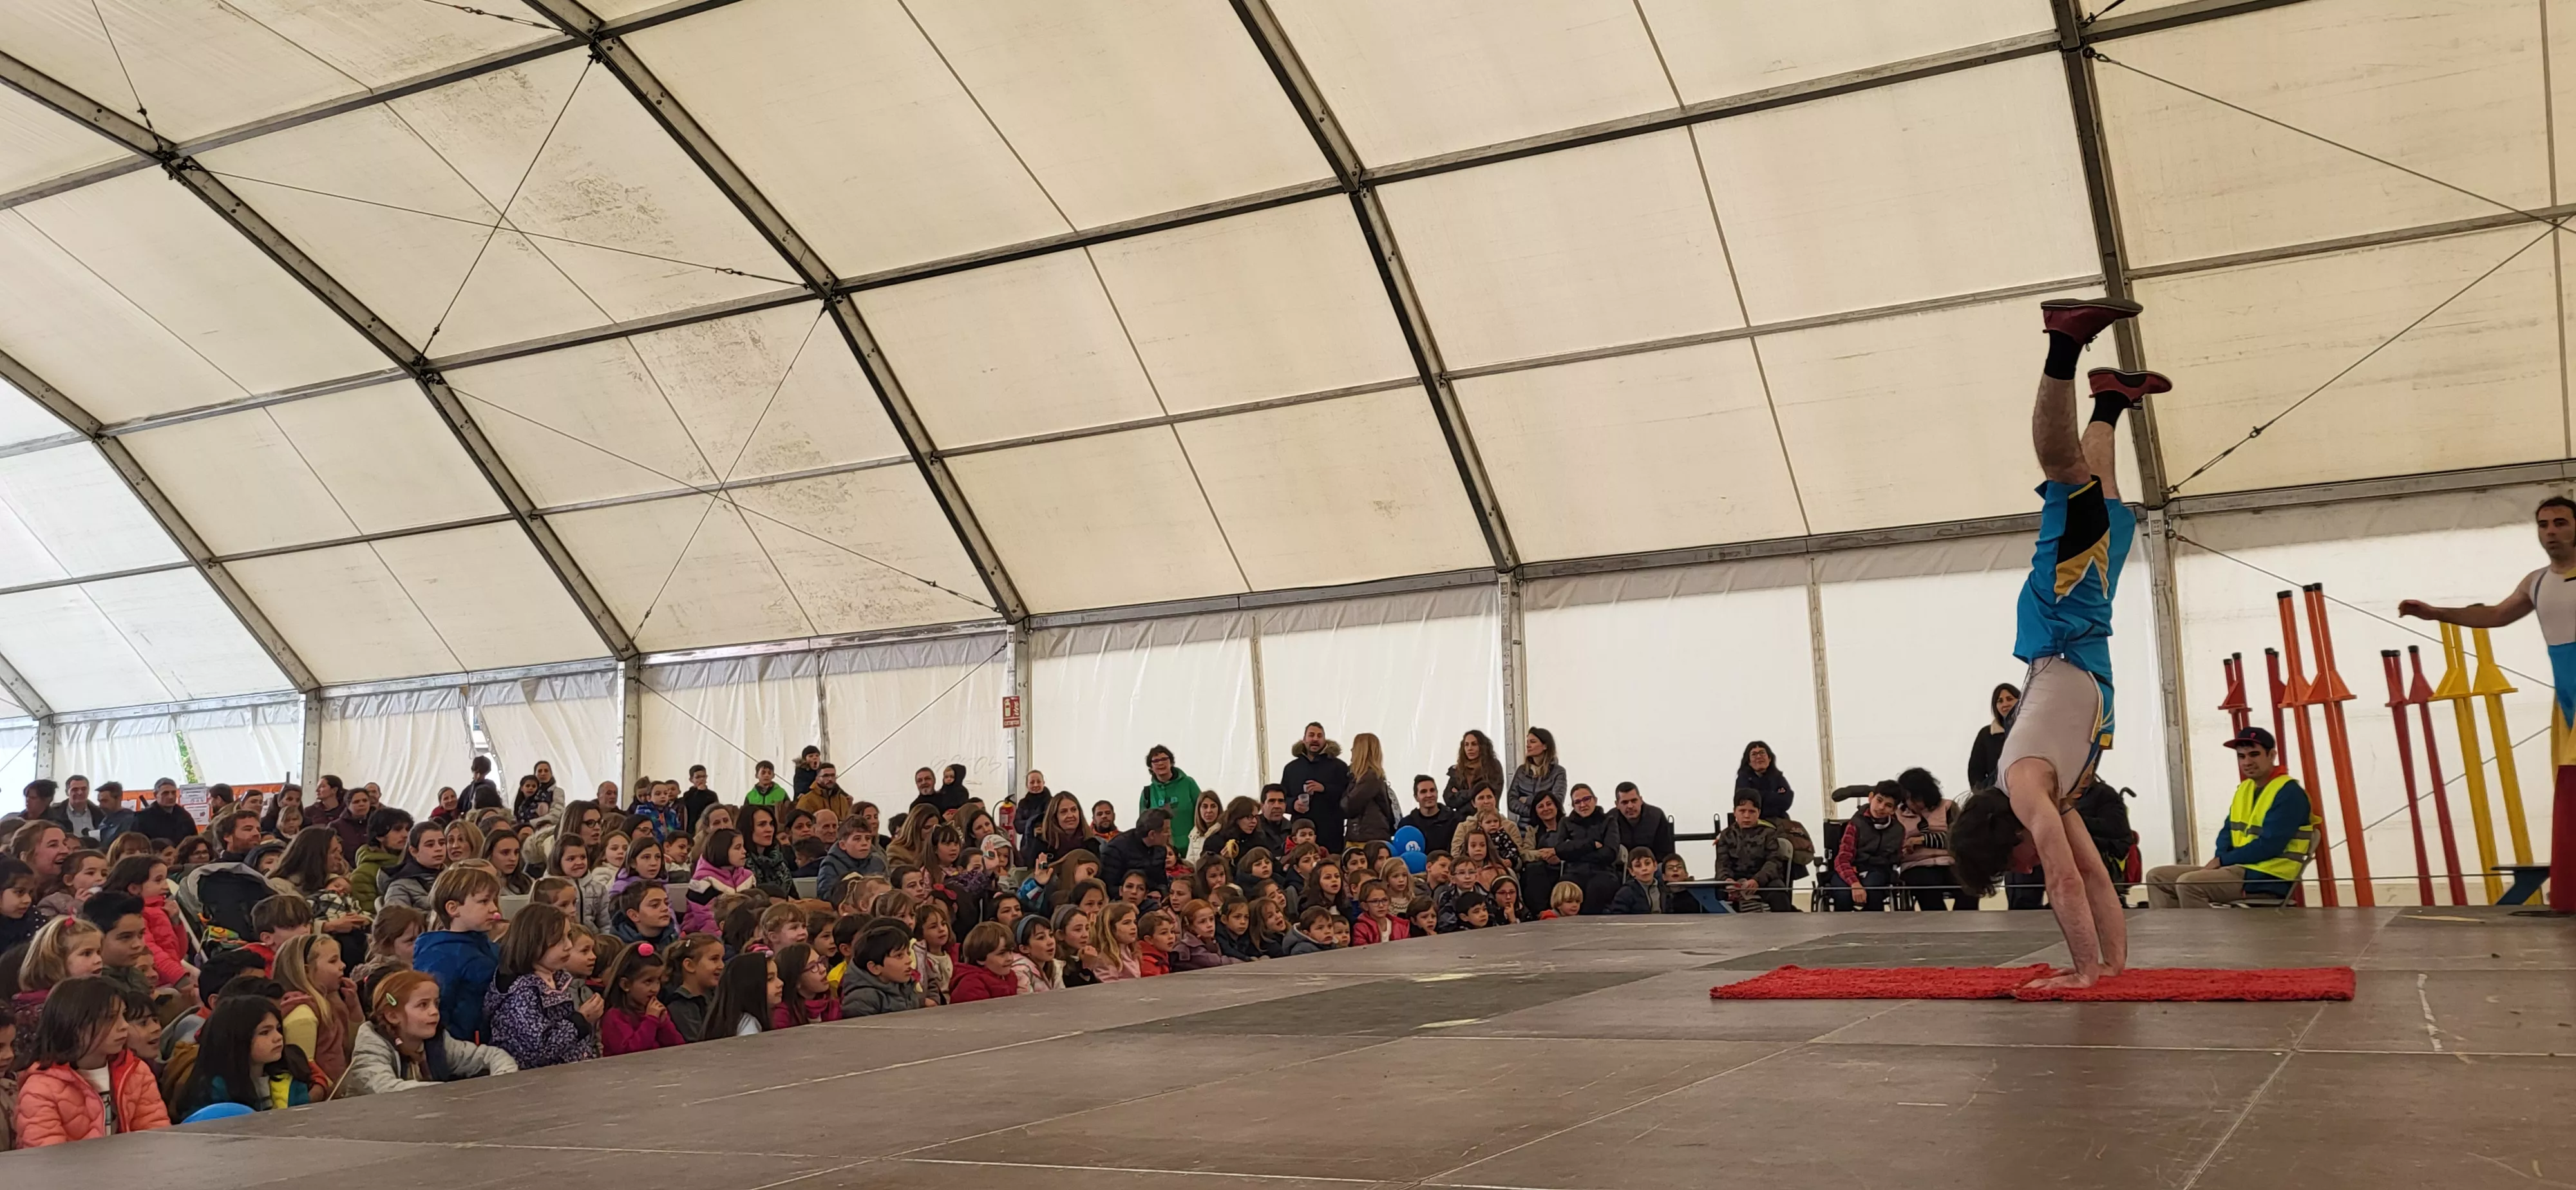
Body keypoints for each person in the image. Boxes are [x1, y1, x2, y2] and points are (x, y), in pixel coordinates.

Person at [1948, 296, 2155, 988]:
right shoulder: (2053, 798)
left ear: (2005, 840)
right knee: (2112, 513)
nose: (2027, 869)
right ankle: (2110, 400)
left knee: (2068, 483)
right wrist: (2112, 968)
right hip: (2084, 636)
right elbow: (2094, 874)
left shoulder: (2025, 789)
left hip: (2060, 628)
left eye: (2014, 866)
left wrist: (2080, 975)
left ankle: (2062, 341)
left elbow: (2064, 881)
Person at [2398, 494, 2576, 914]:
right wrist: (2436, 613)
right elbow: (2496, 615)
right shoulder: (2536, 581)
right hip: (2566, 698)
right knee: (2567, 783)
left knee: (2572, 784)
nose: (2551, 532)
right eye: (2544, 525)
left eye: (2561, 523)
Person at [2143, 728, 2315, 908]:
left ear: (2271, 755)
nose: (2247, 762)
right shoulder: (2245, 789)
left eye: (2254, 754)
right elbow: (2227, 833)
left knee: (2189, 884)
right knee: (2157, 877)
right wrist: (2221, 860)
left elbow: (2270, 846)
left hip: (2268, 876)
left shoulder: (2289, 793)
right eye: (2241, 756)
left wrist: (2222, 861)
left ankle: (2199, 928)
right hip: (2240, 869)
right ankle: (2173, 927)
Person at [13, 976, 167, 1144]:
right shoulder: (40, 1090)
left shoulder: (136, 1071)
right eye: (110, 1018)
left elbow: (156, 1139)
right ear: (73, 1025)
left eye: (123, 1015)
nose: (124, 1026)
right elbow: (47, 1156)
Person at [341, 970, 518, 1095]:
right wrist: (448, 1093)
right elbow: (385, 1088)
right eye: (423, 1005)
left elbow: (491, 1056)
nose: (434, 1012)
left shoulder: (437, 1042)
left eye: (436, 1003)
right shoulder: (372, 1046)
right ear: (393, 1015)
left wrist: (503, 1083)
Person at [171, 994, 318, 1117]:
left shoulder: (290, 1079)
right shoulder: (210, 1092)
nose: (278, 1037)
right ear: (236, 1039)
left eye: (278, 1029)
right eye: (265, 1032)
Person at [412, 865, 504, 1043]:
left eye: (494, 900)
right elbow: (438, 1009)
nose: (494, 908)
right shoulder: (441, 955)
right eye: (484, 902)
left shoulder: (486, 944)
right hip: (464, 1046)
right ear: (453, 908)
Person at [1893, 768, 1969, 910]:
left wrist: (1920, 840)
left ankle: (1962, 921)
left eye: (1917, 799)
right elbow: (1893, 844)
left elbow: (1958, 839)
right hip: (1916, 865)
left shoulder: (1948, 807)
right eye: (1909, 799)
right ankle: (1938, 922)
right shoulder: (1897, 815)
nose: (1914, 804)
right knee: (1928, 887)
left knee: (1970, 886)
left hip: (1950, 862)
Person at [1831, 782, 1907, 911]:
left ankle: (1873, 923)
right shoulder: (1855, 824)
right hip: (1850, 868)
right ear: (1871, 797)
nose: (1881, 807)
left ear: (1894, 810)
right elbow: (1842, 859)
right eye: (1879, 801)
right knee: (1843, 894)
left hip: (1878, 870)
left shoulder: (1898, 830)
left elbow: (1896, 858)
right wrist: (1855, 883)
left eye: (1888, 805)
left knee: (1873, 889)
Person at [1280, 722, 1351, 852]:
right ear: (1304, 739)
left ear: (1325, 740)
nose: (1315, 739)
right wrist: (1293, 804)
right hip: (1301, 831)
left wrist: (1325, 789)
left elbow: (1347, 795)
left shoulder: (1339, 766)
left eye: (1319, 736)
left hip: (1331, 831)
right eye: (1311, 735)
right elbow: (1282, 798)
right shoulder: (1291, 768)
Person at [1555, 784, 1620, 914]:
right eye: (1577, 802)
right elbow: (1560, 850)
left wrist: (1575, 853)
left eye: (1586, 799)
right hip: (1574, 872)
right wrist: (1591, 845)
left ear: (1595, 800)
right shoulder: (1565, 822)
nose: (1583, 805)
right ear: (1573, 806)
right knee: (1566, 888)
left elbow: (1610, 853)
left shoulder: (1608, 821)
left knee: (1596, 888)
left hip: (1603, 872)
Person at [838, 925, 923, 1018]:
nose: (909, 960)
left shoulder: (906, 986)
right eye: (899, 956)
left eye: (908, 953)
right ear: (875, 968)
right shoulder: (862, 999)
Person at [1098, 808, 1173, 902]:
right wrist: (1141, 896)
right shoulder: (1116, 849)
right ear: (1152, 834)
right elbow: (1108, 887)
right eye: (1166, 831)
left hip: (1151, 901)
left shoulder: (1161, 849)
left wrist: (1160, 892)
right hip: (1122, 902)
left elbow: (1162, 881)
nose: (1170, 834)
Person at [1967, 683, 2022, 793]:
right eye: (2000, 701)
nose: (2005, 704)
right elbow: (1975, 772)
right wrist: (1983, 795)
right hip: (1997, 796)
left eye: (2010, 699)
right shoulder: (1986, 734)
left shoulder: (2030, 731)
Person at [1508, 728, 1567, 829]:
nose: (1528, 745)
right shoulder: (1521, 771)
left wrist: (1527, 800)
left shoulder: (1558, 772)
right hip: (1524, 829)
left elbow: (1557, 800)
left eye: (1533, 742)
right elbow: (1512, 801)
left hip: (1549, 829)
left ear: (1545, 746)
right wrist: (1535, 813)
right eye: (1527, 742)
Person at [1610, 782, 1675, 861]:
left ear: (1641, 800)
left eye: (1634, 801)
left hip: (1653, 865)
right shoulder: (1610, 819)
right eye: (1625, 802)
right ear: (1617, 804)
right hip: (1620, 866)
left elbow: (1666, 852)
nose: (1630, 806)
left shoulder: (1657, 816)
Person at [1443, 730, 1504, 813]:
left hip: (1487, 817)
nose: (1470, 748)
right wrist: (1473, 793)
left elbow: (1490, 798)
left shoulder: (1493, 766)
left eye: (1474, 744)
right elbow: (1449, 800)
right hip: (1462, 819)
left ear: (1482, 746)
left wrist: (1461, 796)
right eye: (1466, 745)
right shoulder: (1458, 770)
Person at [128, 781, 195, 850]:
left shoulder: (185, 816)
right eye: (165, 793)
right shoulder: (142, 818)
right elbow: (135, 843)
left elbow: (194, 841)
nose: (171, 797)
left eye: (173, 793)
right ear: (155, 795)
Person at [1735, 742, 1794, 818]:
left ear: (1769, 759)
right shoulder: (1743, 779)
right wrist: (1774, 796)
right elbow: (1747, 803)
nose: (1759, 757)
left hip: (1780, 820)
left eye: (1762, 753)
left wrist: (1761, 796)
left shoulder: (1779, 778)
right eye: (1754, 754)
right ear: (1749, 762)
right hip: (1755, 820)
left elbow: (1786, 801)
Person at [1606, 848, 1669, 914]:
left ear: (1655, 866)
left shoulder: (1664, 890)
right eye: (1638, 866)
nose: (1644, 868)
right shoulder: (1625, 893)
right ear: (1631, 871)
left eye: (1647, 863)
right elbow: (1618, 917)